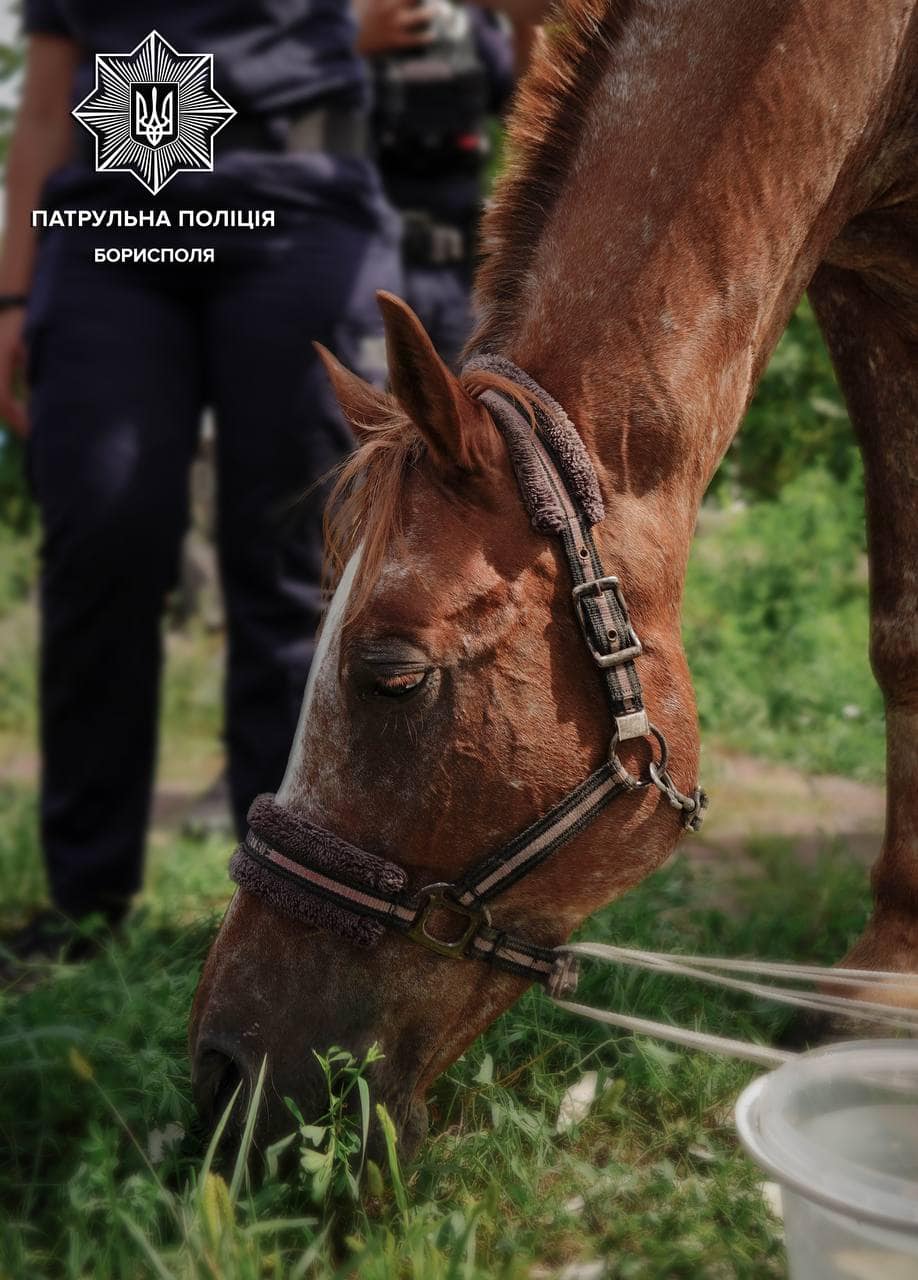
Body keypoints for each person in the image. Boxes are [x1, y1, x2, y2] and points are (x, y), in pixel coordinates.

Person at [0, 1, 401, 965]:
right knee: (103, 536)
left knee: (296, 562)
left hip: (299, 206)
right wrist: (11, 293)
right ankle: (84, 907)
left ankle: (289, 913)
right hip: (113, 211)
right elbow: (48, 99)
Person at [357, 0, 522, 368]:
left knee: (457, 412)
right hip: (359, 274)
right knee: (359, 413)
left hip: (453, 281)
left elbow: (529, 101)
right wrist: (353, 41)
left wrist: (525, 22)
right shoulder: (326, 27)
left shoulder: (467, 26)